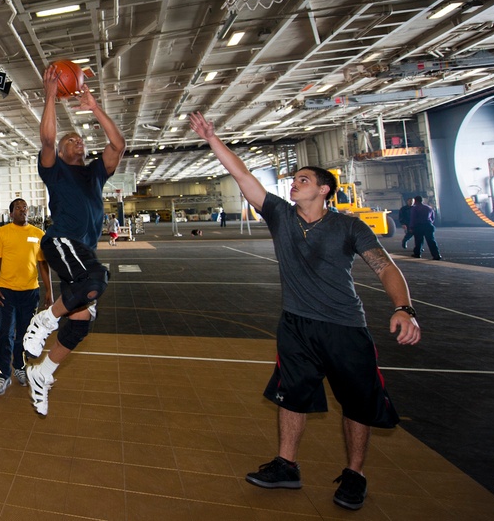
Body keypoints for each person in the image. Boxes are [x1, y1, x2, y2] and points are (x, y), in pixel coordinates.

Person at [189, 111, 421, 511]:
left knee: (357, 404)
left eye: (303, 180)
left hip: (345, 327)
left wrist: (404, 308)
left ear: (325, 190)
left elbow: (386, 268)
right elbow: (244, 178)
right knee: (290, 397)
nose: (294, 184)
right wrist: (212, 138)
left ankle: (354, 474)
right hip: (296, 326)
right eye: (293, 179)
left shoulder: (349, 227)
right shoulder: (280, 216)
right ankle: (286, 465)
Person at [21, 63, 126, 416]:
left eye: (78, 138)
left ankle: (43, 373)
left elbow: (118, 143)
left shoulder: (95, 171)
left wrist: (95, 109)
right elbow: (47, 139)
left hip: (81, 251)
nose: (74, 141)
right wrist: (51, 95)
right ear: (63, 152)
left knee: (81, 321)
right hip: (61, 242)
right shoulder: (55, 169)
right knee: (97, 279)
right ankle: (45, 320)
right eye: (70, 141)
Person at [0, 198, 53, 396]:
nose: (22, 210)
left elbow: (43, 265)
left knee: (25, 334)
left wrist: (49, 290)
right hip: (6, 291)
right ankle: (2, 375)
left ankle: (19, 366)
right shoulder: (2, 233)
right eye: (18, 208)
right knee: (5, 333)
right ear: (11, 213)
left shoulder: (37, 234)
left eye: (25, 208)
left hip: (30, 292)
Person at [409, 195, 441, 260]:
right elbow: (432, 217)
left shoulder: (415, 208)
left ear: (415, 201)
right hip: (428, 225)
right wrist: (430, 223)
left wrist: (411, 227)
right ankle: (436, 255)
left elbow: (413, 219)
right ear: (422, 200)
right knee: (431, 241)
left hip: (419, 226)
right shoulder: (428, 208)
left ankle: (417, 254)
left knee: (418, 241)